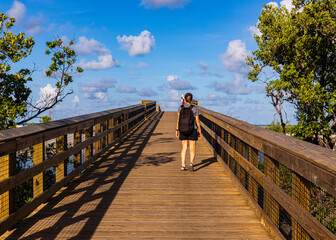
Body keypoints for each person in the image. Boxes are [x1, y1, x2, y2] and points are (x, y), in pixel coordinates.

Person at [175, 93, 201, 172]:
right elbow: (197, 120)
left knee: (184, 147)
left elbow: (178, 120)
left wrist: (177, 130)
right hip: (192, 129)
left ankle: (183, 165)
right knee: (192, 148)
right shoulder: (194, 108)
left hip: (182, 129)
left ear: (185, 99)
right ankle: (191, 165)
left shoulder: (180, 107)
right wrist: (199, 129)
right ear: (192, 99)